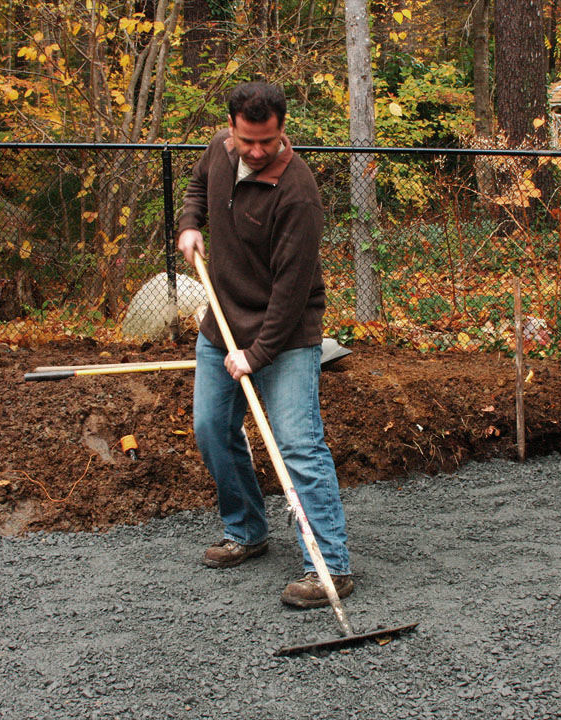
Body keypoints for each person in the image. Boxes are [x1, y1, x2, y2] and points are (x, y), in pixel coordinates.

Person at [176, 81, 352, 608]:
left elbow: (292, 292)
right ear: (232, 128)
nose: (256, 151)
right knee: (211, 428)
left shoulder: (297, 192)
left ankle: (330, 567)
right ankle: (247, 529)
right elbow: (196, 189)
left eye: (268, 141)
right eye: (248, 140)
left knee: (298, 443)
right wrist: (189, 226)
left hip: (286, 333)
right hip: (222, 322)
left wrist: (255, 356)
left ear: (282, 130)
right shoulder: (217, 150)